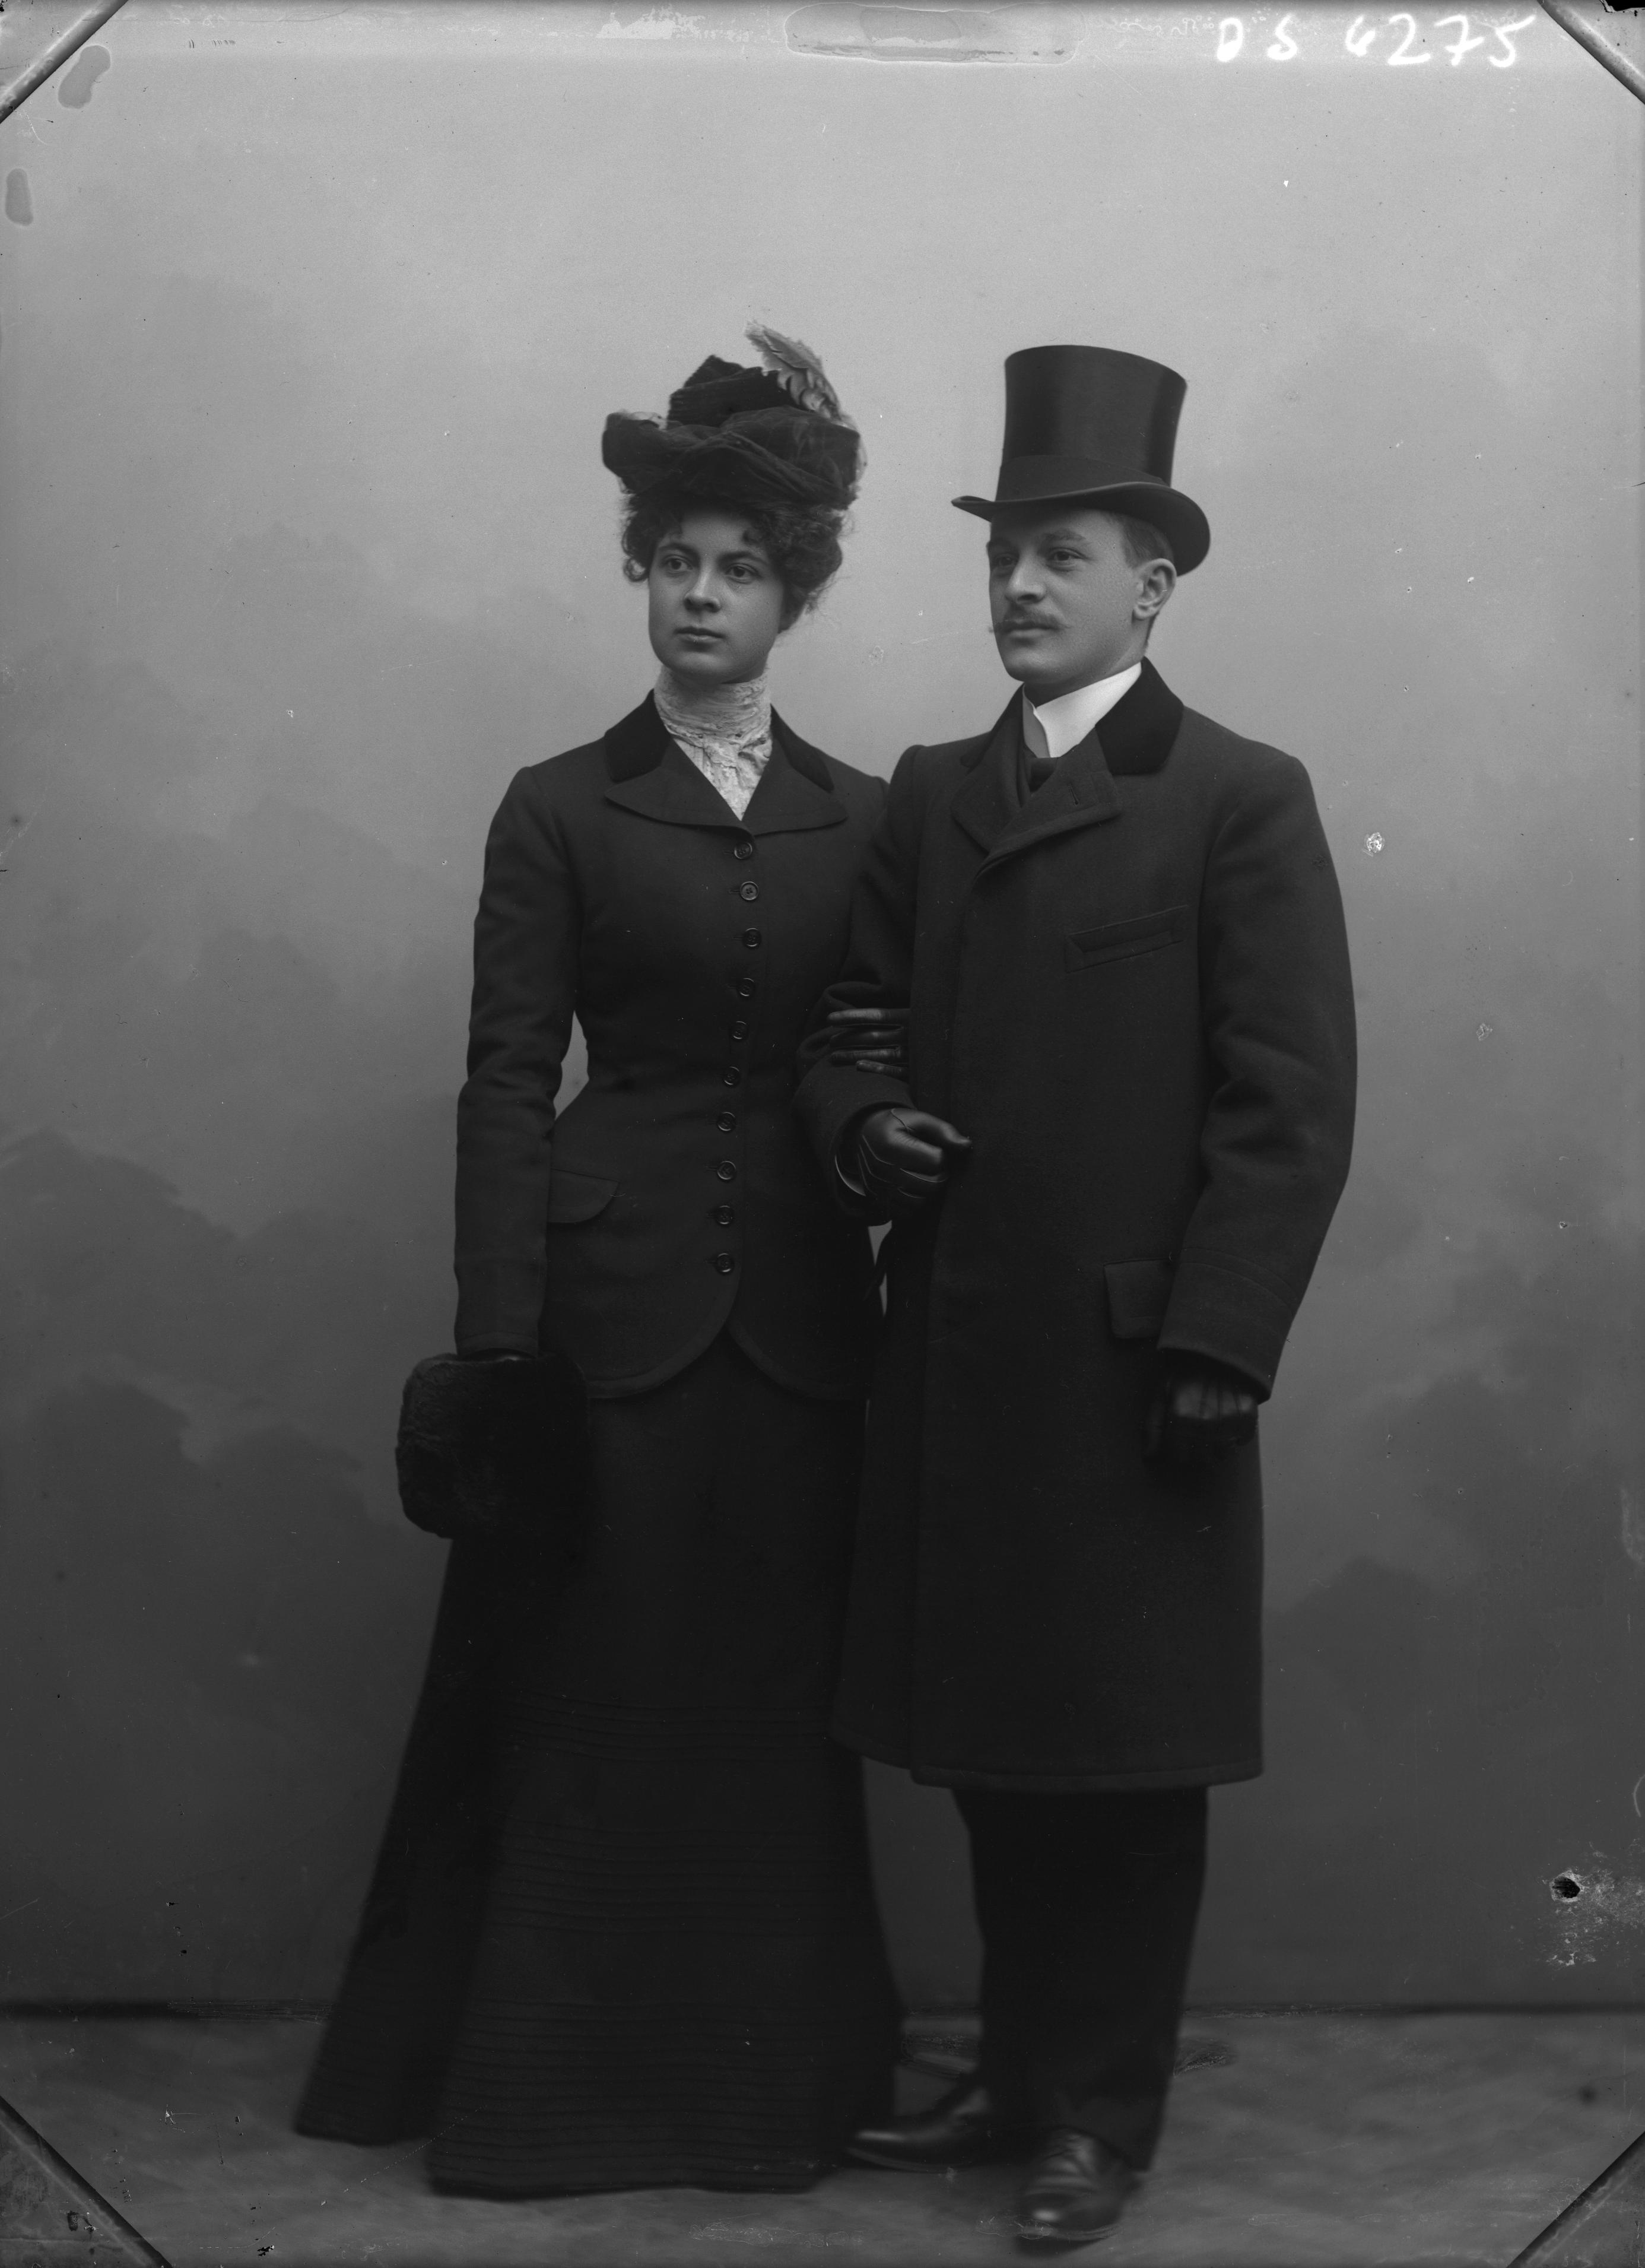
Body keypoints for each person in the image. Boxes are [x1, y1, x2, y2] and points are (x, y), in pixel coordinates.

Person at [295, 331, 902, 2196]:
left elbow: (859, 1050)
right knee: (590, 1691)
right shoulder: (556, 805)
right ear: (641, 574)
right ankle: (552, 2098)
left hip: (799, 1319)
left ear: (794, 595)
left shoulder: (864, 816)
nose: (701, 596)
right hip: (603, 1314)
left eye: (740, 569)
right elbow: (503, 1081)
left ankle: (764, 2096)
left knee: (768, 1699)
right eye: (675, 564)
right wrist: (501, 1352)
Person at [794, 344, 1357, 2249]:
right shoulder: (934, 795)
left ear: (1154, 585)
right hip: (962, 1361)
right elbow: (850, 1027)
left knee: (1118, 1764)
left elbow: (1286, 1106)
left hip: (1135, 1372)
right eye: (1001, 555)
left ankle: (1095, 2122)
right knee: (994, 1745)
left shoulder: (1235, 797)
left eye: (1063, 554)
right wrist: (864, 1128)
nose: (1020, 586)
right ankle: (1020, 2079)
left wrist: (1217, 1339)